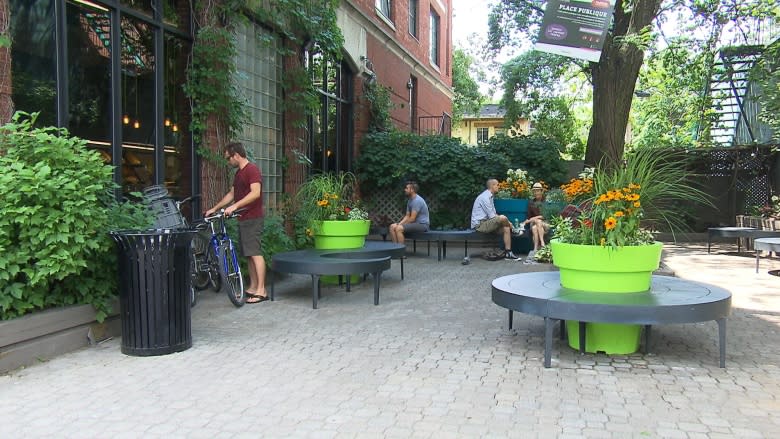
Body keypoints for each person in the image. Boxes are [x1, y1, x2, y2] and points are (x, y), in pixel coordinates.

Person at [205, 142, 267, 304]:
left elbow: (256, 193)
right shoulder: (239, 174)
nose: (228, 162)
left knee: (255, 253)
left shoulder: (251, 170)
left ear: (236, 155)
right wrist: (215, 208)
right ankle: (253, 287)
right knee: (248, 254)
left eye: (228, 158)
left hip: (253, 217)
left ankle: (262, 290)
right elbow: (232, 194)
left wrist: (235, 206)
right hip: (243, 218)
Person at [470, 178, 521, 260]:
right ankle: (515, 230)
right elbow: (493, 217)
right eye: (497, 185)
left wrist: (507, 223)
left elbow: (494, 214)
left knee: (506, 227)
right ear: (492, 186)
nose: (498, 187)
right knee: (503, 218)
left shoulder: (490, 197)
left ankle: (508, 253)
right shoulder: (485, 197)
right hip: (480, 225)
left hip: (487, 223)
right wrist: (508, 222)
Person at [388, 181, 430, 246]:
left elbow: (412, 219)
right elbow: (407, 216)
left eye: (407, 188)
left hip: (422, 225)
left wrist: (399, 226)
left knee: (398, 229)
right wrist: (399, 223)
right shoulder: (410, 200)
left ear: (412, 190)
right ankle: (395, 249)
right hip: (415, 224)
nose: (405, 190)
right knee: (392, 226)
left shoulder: (417, 200)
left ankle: (401, 252)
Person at [520, 182, 550, 264]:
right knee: (534, 227)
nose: (536, 193)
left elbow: (545, 215)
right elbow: (528, 216)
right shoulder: (531, 203)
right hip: (534, 224)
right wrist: (533, 219)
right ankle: (542, 245)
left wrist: (534, 218)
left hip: (545, 223)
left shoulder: (545, 202)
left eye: (538, 191)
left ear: (541, 191)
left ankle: (536, 248)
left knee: (538, 222)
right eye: (534, 191)